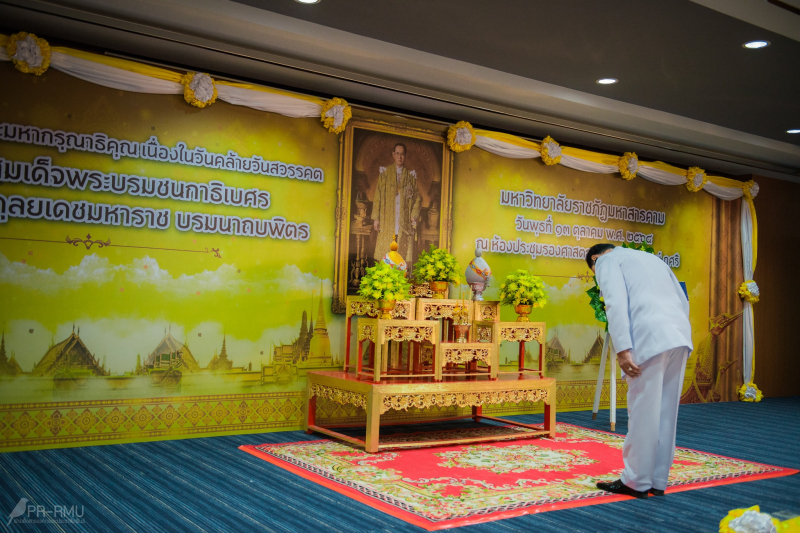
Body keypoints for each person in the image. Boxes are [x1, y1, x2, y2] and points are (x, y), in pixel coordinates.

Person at [587, 243, 692, 499]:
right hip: (678, 336)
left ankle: (636, 481)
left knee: (643, 411)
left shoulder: (606, 261)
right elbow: (683, 300)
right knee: (667, 413)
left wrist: (623, 349)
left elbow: (614, 303)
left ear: (595, 258)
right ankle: (658, 479)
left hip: (648, 338)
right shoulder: (652, 258)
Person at [371, 143, 421, 262]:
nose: (399, 157)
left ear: (405, 156)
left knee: (402, 252)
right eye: (397, 153)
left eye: (402, 154)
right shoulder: (385, 174)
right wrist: (376, 219)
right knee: (387, 250)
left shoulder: (410, 176)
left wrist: (413, 216)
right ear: (393, 155)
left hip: (403, 219)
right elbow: (378, 196)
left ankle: (400, 270)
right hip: (388, 219)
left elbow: (417, 198)